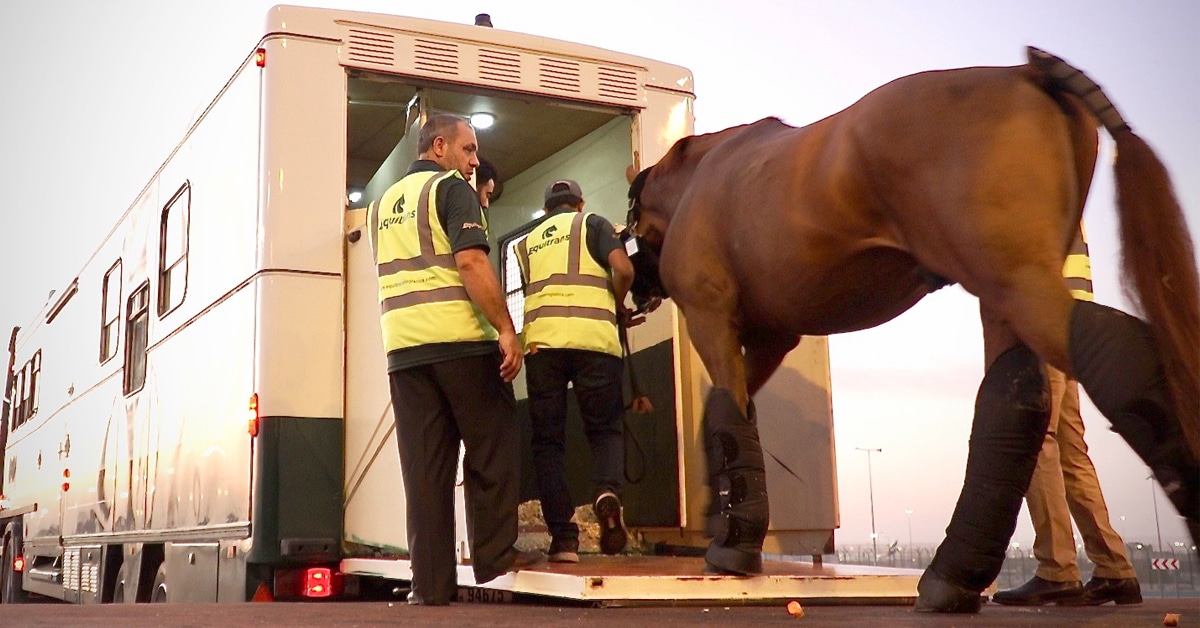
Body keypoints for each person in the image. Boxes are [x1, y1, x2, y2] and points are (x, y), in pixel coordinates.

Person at [367, 113, 542, 605]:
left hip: (405, 351)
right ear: (439, 146)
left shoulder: (381, 206)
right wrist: (506, 328)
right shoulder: (450, 189)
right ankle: (494, 554)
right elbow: (470, 261)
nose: (474, 162)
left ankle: (430, 585)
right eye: (469, 150)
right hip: (460, 343)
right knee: (493, 445)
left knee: (425, 472)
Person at [993, 225, 1140, 607]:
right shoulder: (1069, 195)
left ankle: (1056, 569)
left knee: (1037, 438)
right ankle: (1114, 568)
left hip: (1044, 318)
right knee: (1071, 451)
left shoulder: (1031, 190)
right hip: (1073, 322)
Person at [515, 179, 635, 563]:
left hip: (543, 348)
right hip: (595, 342)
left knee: (548, 443)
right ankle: (606, 493)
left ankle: (564, 540)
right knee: (604, 430)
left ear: (546, 210)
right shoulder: (593, 223)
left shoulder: (526, 243)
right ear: (579, 204)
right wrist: (616, 304)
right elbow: (624, 270)